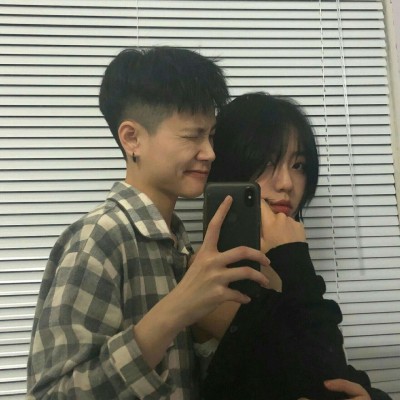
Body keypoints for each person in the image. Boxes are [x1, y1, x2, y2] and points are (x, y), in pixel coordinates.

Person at [26, 48, 270, 400]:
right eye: (192, 136)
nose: (210, 153)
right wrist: (177, 308)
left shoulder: (181, 247)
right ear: (132, 138)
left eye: (211, 135)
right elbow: (52, 395)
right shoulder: (100, 238)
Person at [197, 92, 392, 400]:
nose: (286, 183)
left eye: (299, 165)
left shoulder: (282, 263)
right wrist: (292, 257)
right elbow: (321, 376)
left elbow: (339, 376)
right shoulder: (211, 275)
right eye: (266, 162)